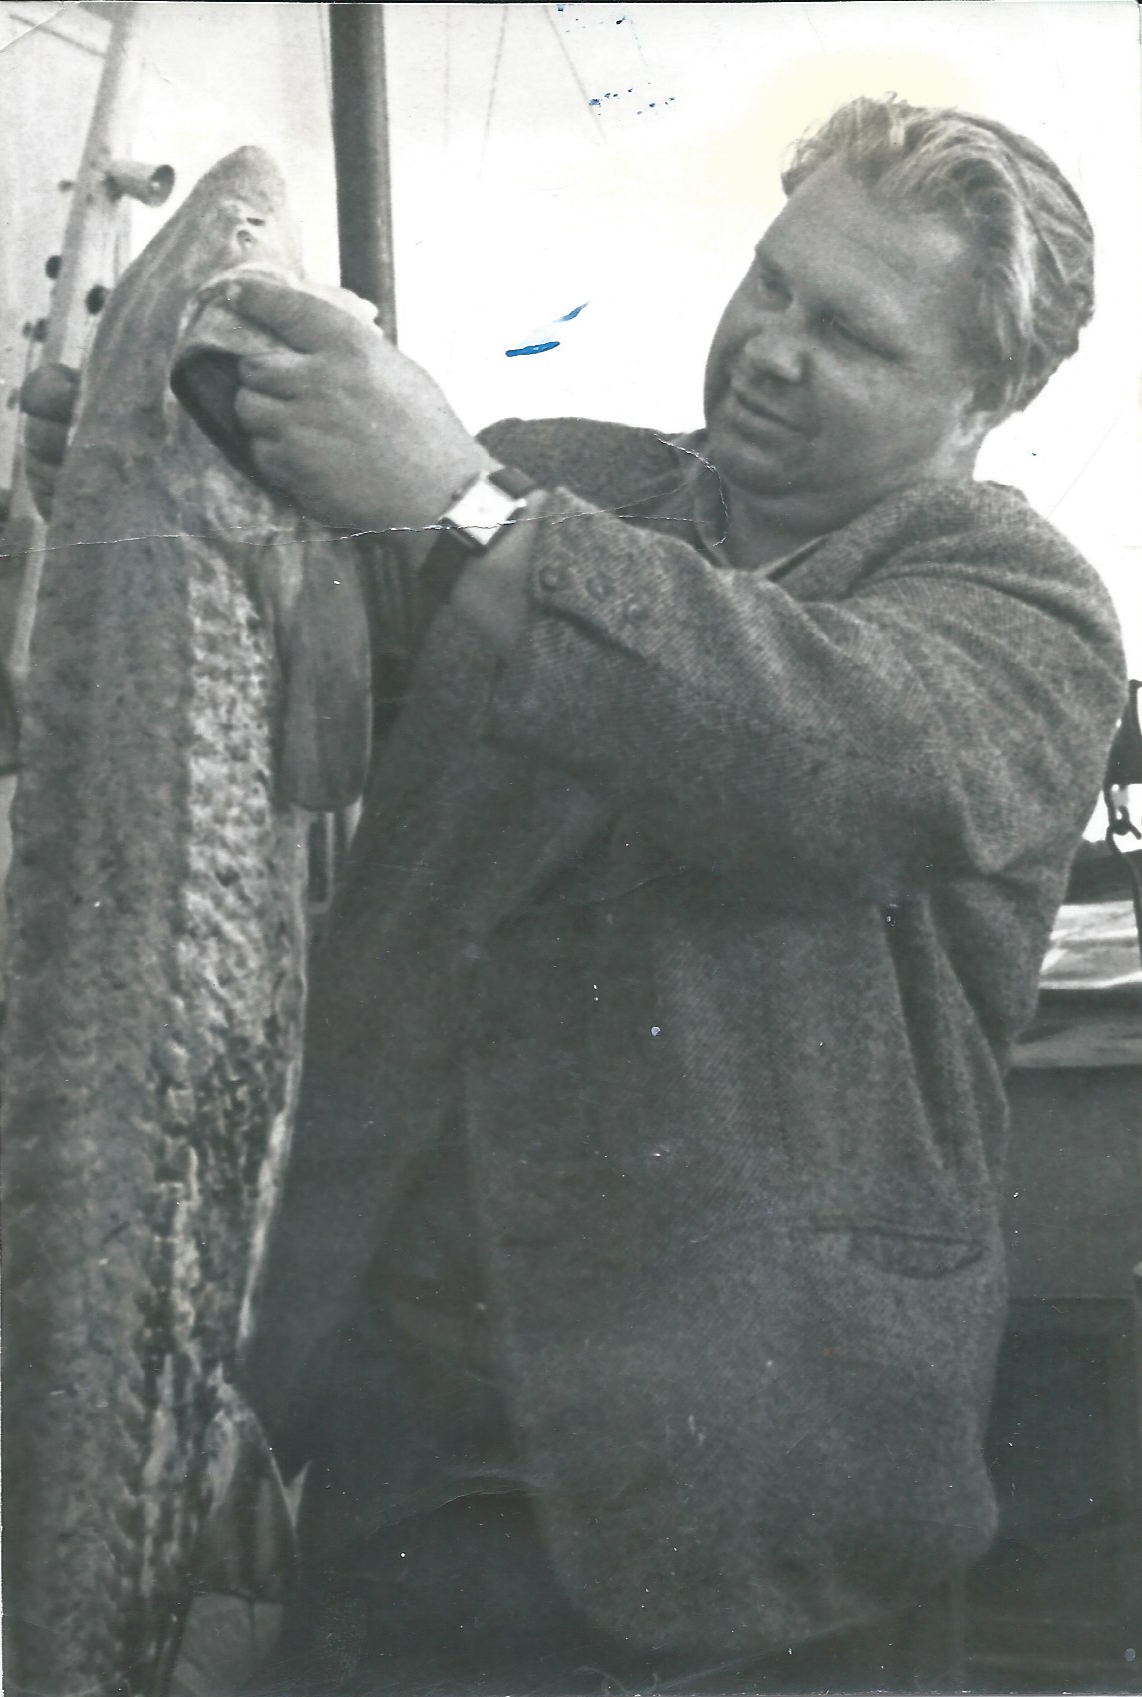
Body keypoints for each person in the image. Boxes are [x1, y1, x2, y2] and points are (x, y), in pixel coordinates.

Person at [22, 97, 1126, 1695]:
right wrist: (163, 460)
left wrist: (461, 507)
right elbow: (282, 637)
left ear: (985, 396)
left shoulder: (1020, 610)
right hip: (401, 1466)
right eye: (771, 283)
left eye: (850, 336)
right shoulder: (558, 476)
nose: (769, 349)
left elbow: (806, 746)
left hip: (750, 1521)